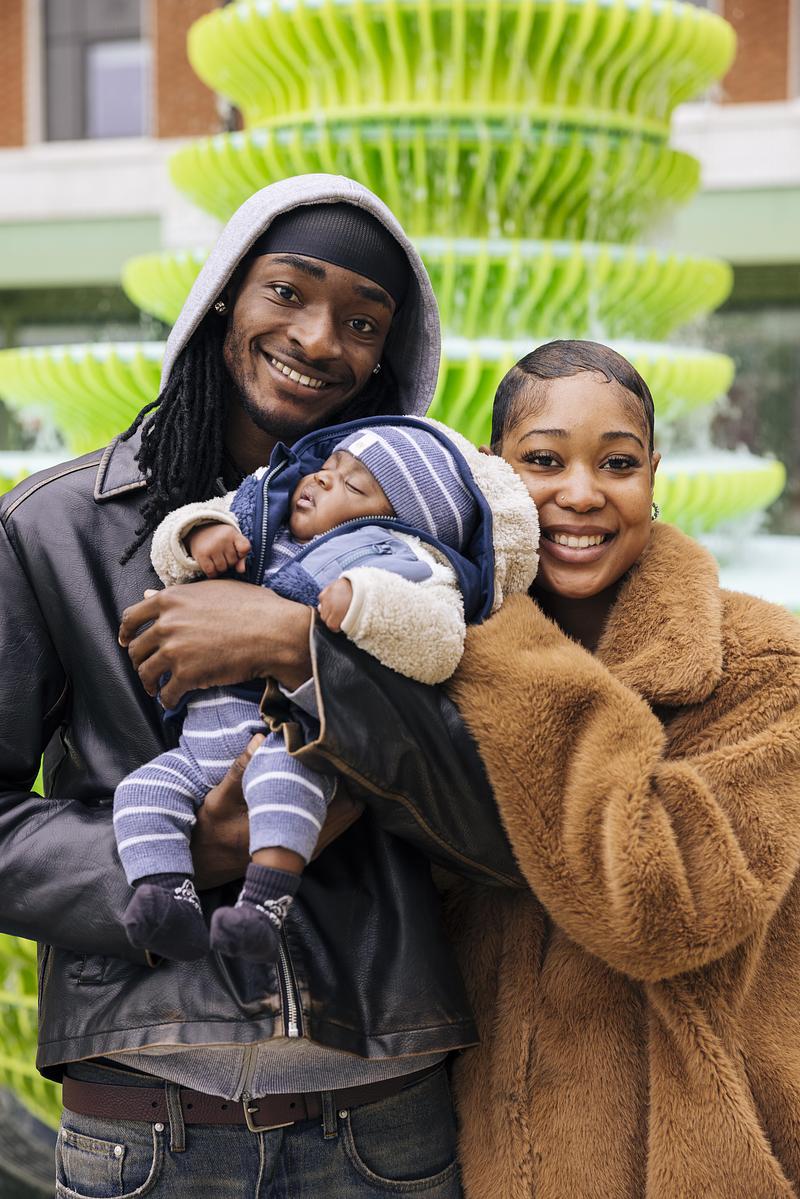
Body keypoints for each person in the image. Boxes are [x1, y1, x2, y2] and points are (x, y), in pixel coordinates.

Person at [0, 175, 514, 1198]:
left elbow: (498, 818)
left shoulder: (435, 560)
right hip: (144, 1123)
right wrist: (192, 849)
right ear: (227, 295)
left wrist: (296, 644)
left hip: (385, 1117)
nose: (320, 338)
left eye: (361, 321)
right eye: (289, 291)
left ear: (386, 354)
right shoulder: (53, 529)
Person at [296, 339, 800, 1198]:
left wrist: (502, 645)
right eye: (543, 459)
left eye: (618, 463)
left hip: (703, 1167)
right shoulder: (420, 652)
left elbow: (665, 903)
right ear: (491, 471)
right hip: (487, 1162)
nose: (580, 492)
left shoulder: (763, 662)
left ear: (654, 475)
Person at [114, 416, 537, 963]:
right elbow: (177, 547)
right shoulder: (266, 521)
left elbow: (435, 642)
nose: (319, 481)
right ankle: (168, 901)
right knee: (141, 793)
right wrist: (199, 535)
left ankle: (263, 906)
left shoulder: (406, 564)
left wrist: (359, 604)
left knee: (282, 782)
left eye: (352, 485)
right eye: (327, 467)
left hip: (286, 734)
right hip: (197, 743)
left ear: (399, 524)